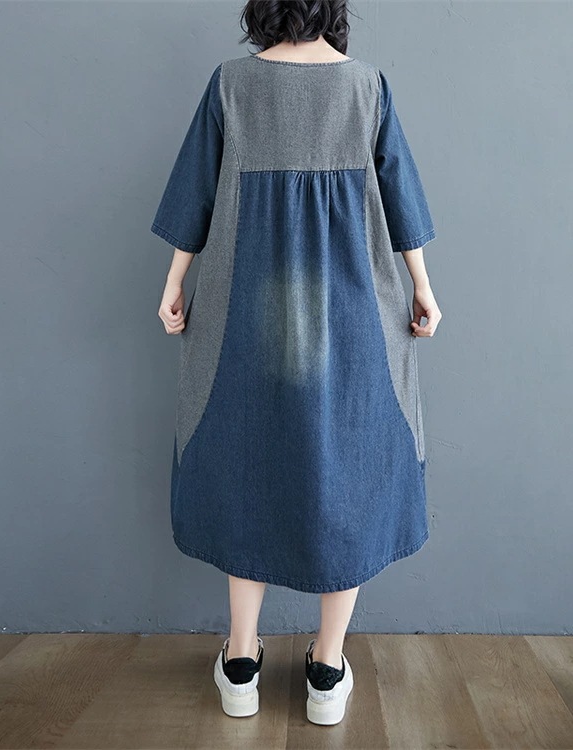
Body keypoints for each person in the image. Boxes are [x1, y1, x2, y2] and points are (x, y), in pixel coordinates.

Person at [151, 0, 442, 726]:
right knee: (350, 470)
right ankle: (327, 668)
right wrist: (424, 288)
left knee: (246, 459)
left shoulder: (231, 84)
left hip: (246, 311)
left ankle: (240, 661)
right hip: (353, 314)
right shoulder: (367, 86)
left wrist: (174, 283)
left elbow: (195, 192)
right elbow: (401, 199)